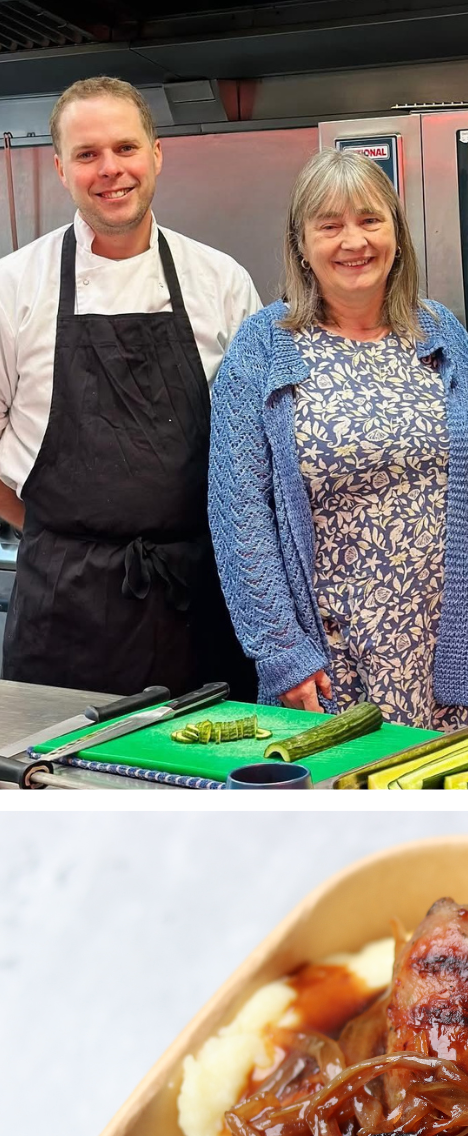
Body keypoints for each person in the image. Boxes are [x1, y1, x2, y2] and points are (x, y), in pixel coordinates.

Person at [207, 150, 468, 727]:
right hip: (329, 658)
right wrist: (282, 652)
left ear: (397, 236)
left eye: (369, 220)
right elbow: (239, 516)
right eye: (329, 225)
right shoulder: (261, 347)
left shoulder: (441, 332)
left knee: (444, 806)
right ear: (301, 246)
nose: (353, 240)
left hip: (445, 642)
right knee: (344, 805)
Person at [0, 75, 259, 697]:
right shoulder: (13, 288)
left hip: (201, 598)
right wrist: (52, 534)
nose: (110, 170)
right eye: (87, 155)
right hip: (64, 607)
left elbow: (256, 453)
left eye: (125, 148)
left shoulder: (221, 283)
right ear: (60, 168)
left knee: (207, 783)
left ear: (156, 154)